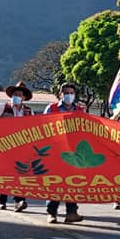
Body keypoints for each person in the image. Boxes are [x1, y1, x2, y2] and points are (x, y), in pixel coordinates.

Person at [44, 82, 84, 223]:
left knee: (72, 182)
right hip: (55, 151)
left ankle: (71, 212)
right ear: (60, 94)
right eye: (66, 93)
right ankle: (52, 213)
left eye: (71, 93)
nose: (69, 95)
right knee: (55, 182)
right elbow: (42, 128)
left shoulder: (79, 110)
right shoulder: (52, 108)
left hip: (73, 152)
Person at [0, 82, 33, 212]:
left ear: (24, 97)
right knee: (5, 175)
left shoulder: (29, 111)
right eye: (15, 94)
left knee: (21, 175)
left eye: (19, 94)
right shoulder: (3, 108)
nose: (17, 96)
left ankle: (19, 201)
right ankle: (2, 201)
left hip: (22, 148)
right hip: (5, 147)